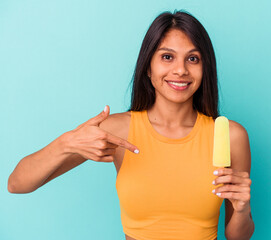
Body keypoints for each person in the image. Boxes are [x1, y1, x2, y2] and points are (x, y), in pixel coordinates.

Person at [8, 10, 254, 240]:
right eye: (167, 57)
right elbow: (17, 184)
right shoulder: (118, 131)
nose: (180, 70)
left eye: (193, 59)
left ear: (205, 68)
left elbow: (236, 236)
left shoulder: (231, 136)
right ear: (148, 66)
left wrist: (242, 209)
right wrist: (66, 143)